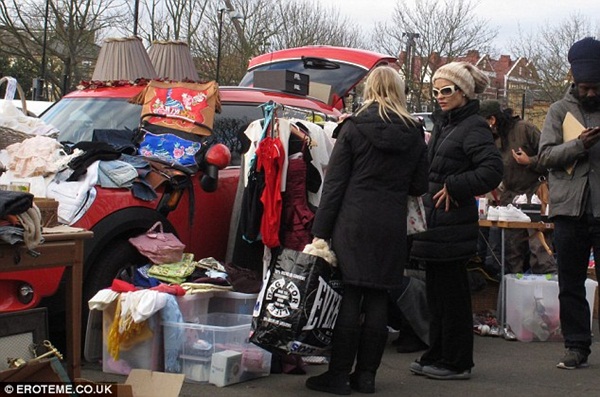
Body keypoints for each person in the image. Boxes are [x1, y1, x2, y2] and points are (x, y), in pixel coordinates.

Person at [305, 66, 429, 395]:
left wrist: (320, 231)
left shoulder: (354, 128)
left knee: (351, 294)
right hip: (391, 224)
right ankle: (367, 376)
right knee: (377, 296)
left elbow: (334, 186)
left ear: (369, 89)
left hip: (353, 222)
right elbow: (419, 184)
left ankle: (338, 375)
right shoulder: (414, 132)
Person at [408, 62, 503, 380]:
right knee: (437, 295)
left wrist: (456, 186)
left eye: (446, 90)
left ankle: (458, 361)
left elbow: (492, 170)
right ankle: (438, 353)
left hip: (452, 224)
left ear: (463, 92)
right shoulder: (445, 125)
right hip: (434, 223)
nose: (439, 96)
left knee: (453, 295)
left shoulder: (473, 126)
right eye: (435, 91)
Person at [538, 36, 600, 370]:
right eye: (585, 87)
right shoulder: (558, 111)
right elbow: (544, 156)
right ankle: (576, 346)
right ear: (573, 80)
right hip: (569, 211)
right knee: (570, 283)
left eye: (596, 87)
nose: (591, 93)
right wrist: (577, 145)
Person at [478, 100, 557, 275]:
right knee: (511, 251)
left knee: (540, 248)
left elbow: (551, 157)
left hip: (535, 195)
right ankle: (514, 289)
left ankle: (545, 290)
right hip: (510, 197)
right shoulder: (491, 138)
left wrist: (530, 161)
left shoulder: (525, 129)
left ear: (492, 119)